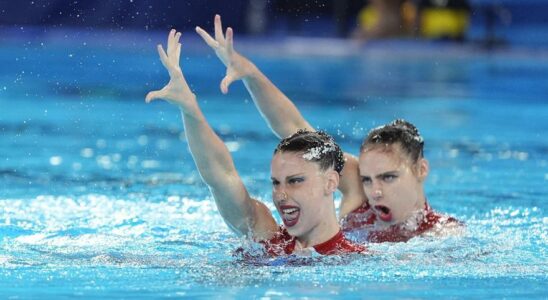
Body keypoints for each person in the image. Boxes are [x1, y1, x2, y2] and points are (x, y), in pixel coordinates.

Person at [196, 15, 462, 243]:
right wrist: (251, 74)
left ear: (420, 170)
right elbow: (294, 128)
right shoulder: (358, 192)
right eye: (367, 179)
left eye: (389, 177)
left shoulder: (441, 234)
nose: (375, 191)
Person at [145, 29, 365, 256]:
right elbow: (221, 176)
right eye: (276, 182)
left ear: (330, 183)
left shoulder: (357, 260)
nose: (280, 194)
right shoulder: (267, 238)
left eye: (295, 181)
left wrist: (251, 73)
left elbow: (293, 124)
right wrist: (190, 109)